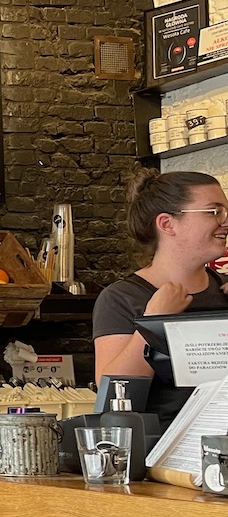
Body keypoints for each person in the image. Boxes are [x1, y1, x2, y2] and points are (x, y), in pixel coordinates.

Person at [92, 169, 228, 417]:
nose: (225, 221)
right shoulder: (121, 299)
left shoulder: (224, 291)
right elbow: (114, 396)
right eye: (214, 211)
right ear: (167, 224)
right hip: (161, 451)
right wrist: (153, 323)